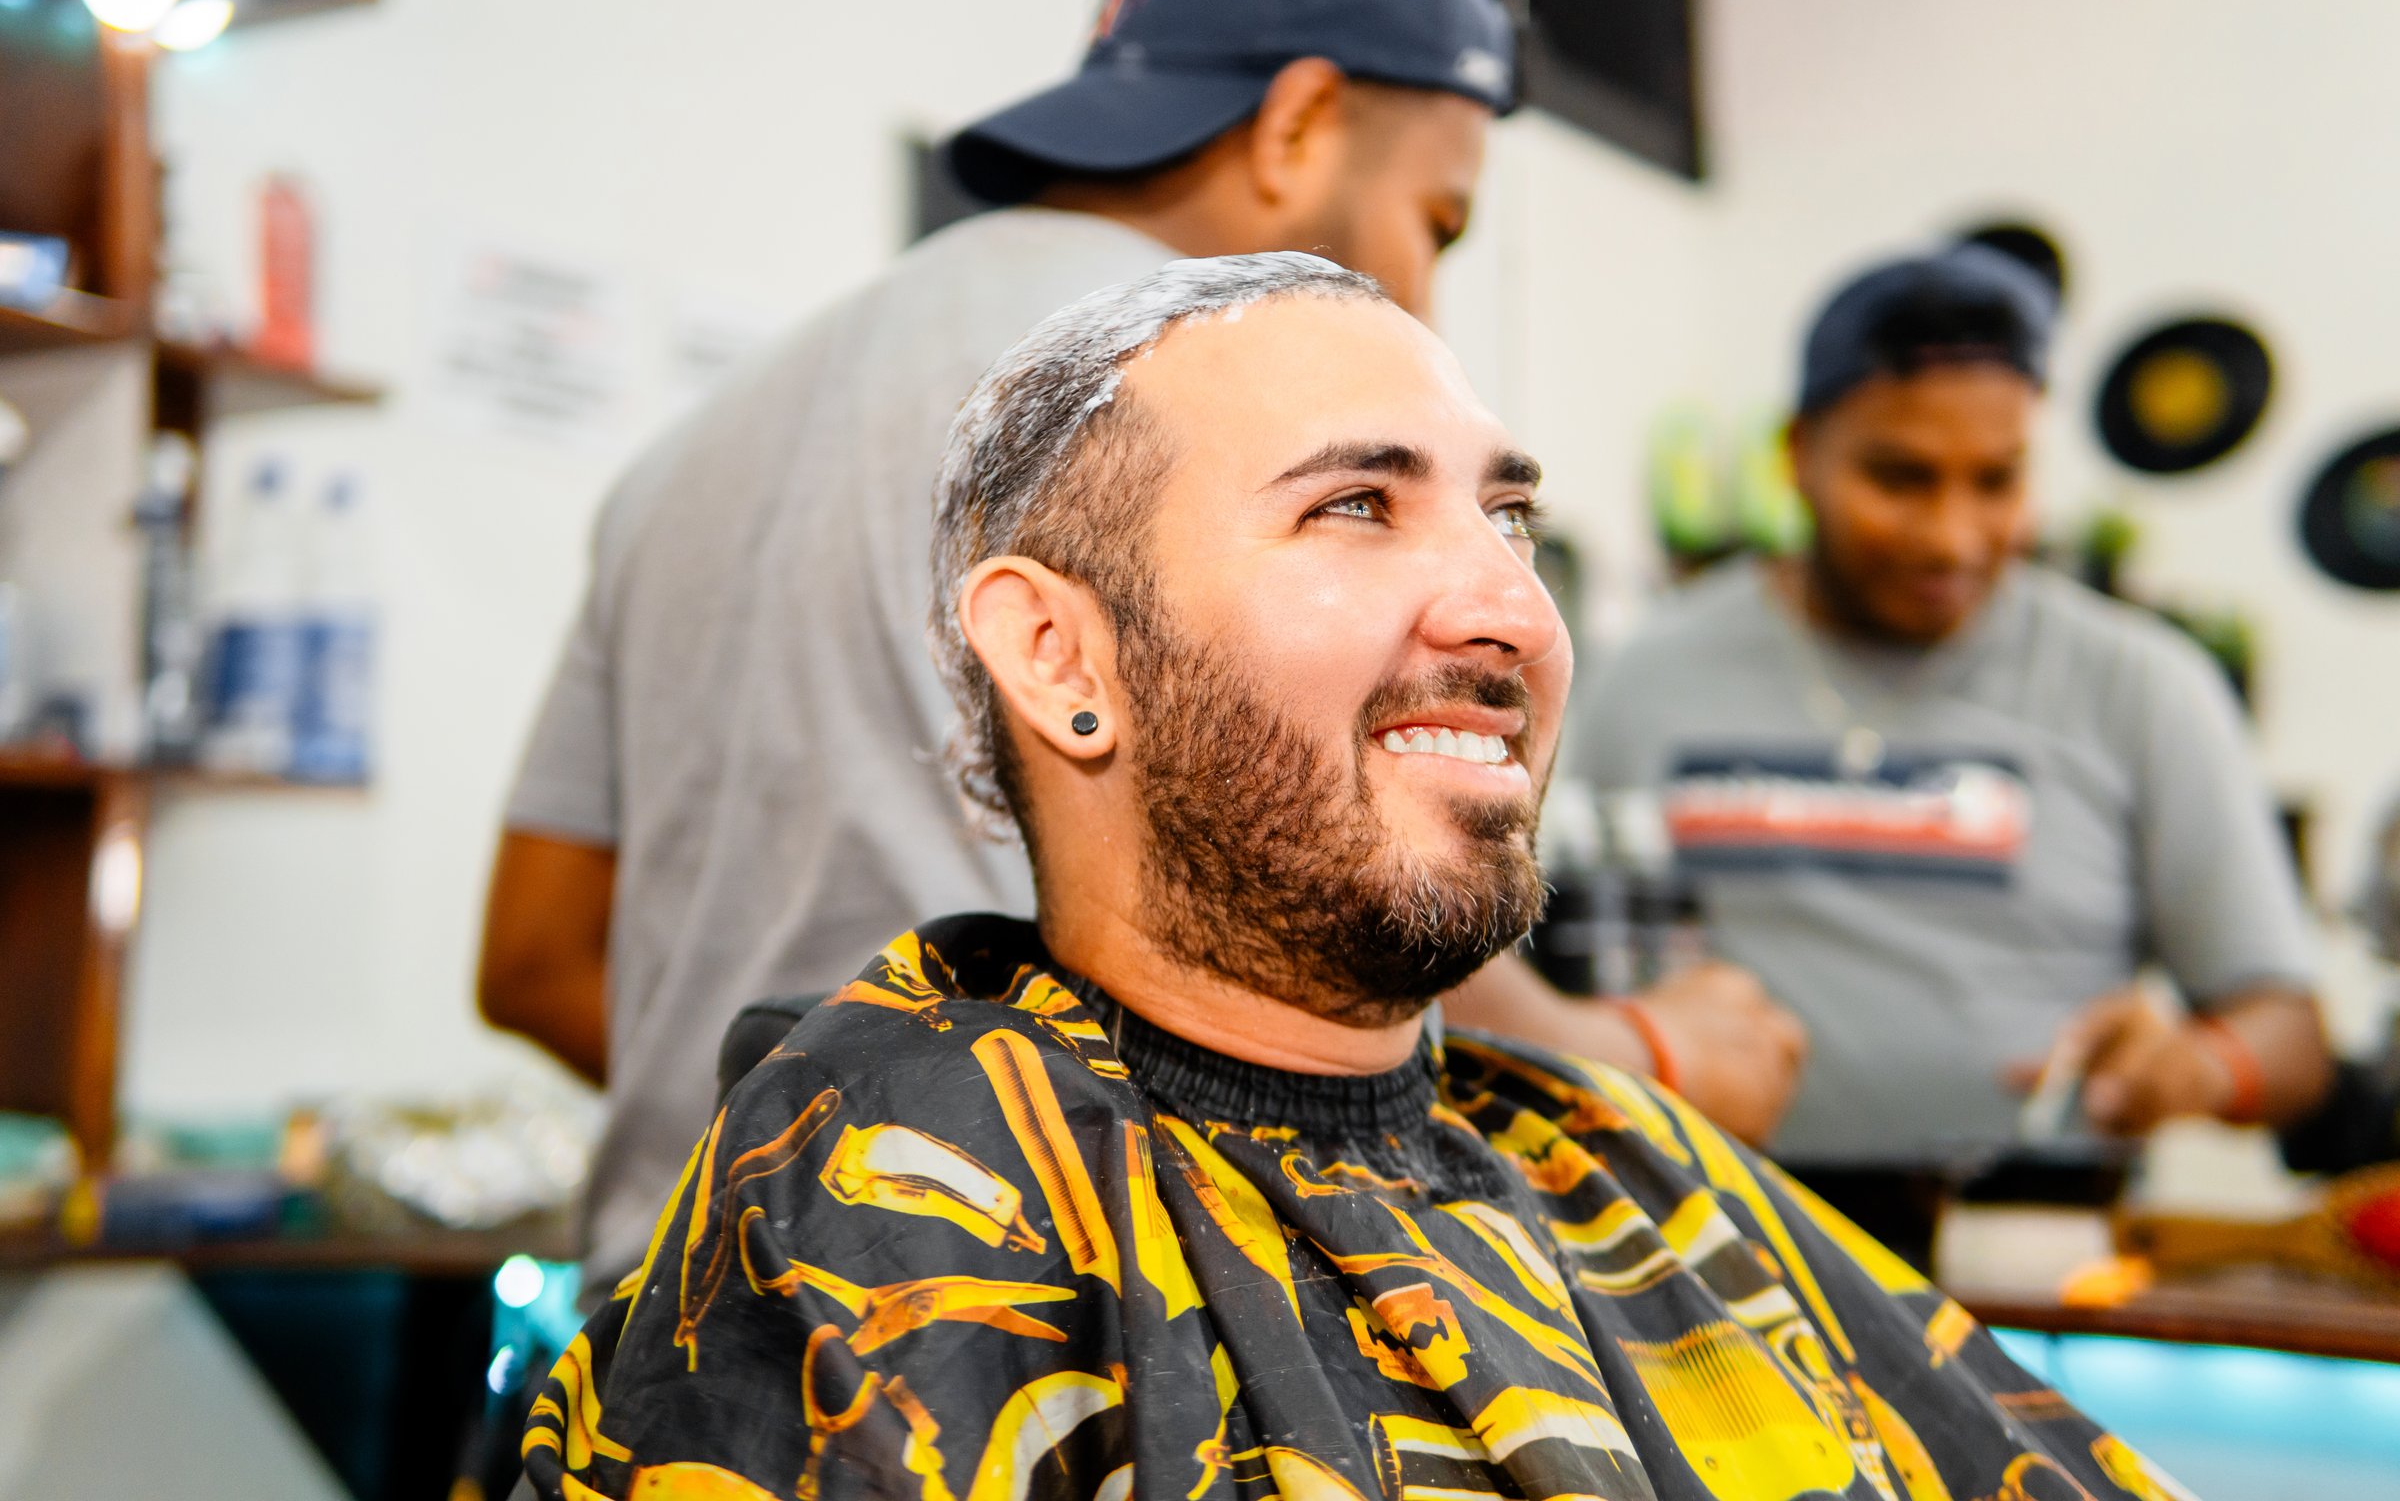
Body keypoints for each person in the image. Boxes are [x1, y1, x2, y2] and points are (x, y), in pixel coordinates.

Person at [520, 254, 2186, 1501]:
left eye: (1509, 521)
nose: (1514, 614)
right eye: (1357, 508)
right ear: (1061, 652)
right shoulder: (899, 1202)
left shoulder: (1627, 1167)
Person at [478, 0, 1801, 1309]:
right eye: (1439, 221)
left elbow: (538, 957)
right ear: (1298, 127)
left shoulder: (699, 448)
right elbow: (1329, 871)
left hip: (670, 1345)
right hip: (1062, 1350)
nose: (1428, 304)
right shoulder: (1193, 422)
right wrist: (1634, 1066)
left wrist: (821, 1128)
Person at [1571, 245, 2331, 1226]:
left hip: (2022, 1266)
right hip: (1705, 1256)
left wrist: (2194, 1067)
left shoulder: (2141, 686)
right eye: (1901, 477)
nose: (1952, 536)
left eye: (1997, 480)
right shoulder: (1648, 678)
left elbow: (2292, 1039)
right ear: (1797, 454)